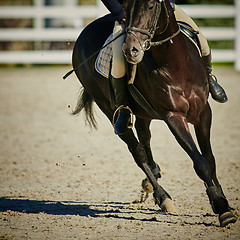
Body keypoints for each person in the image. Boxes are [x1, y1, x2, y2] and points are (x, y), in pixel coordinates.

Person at [101, 0, 228, 135]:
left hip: (162, 9)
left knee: (202, 42)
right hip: (129, 13)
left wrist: (169, 3)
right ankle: (123, 108)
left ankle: (209, 77)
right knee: (119, 62)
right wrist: (120, 12)